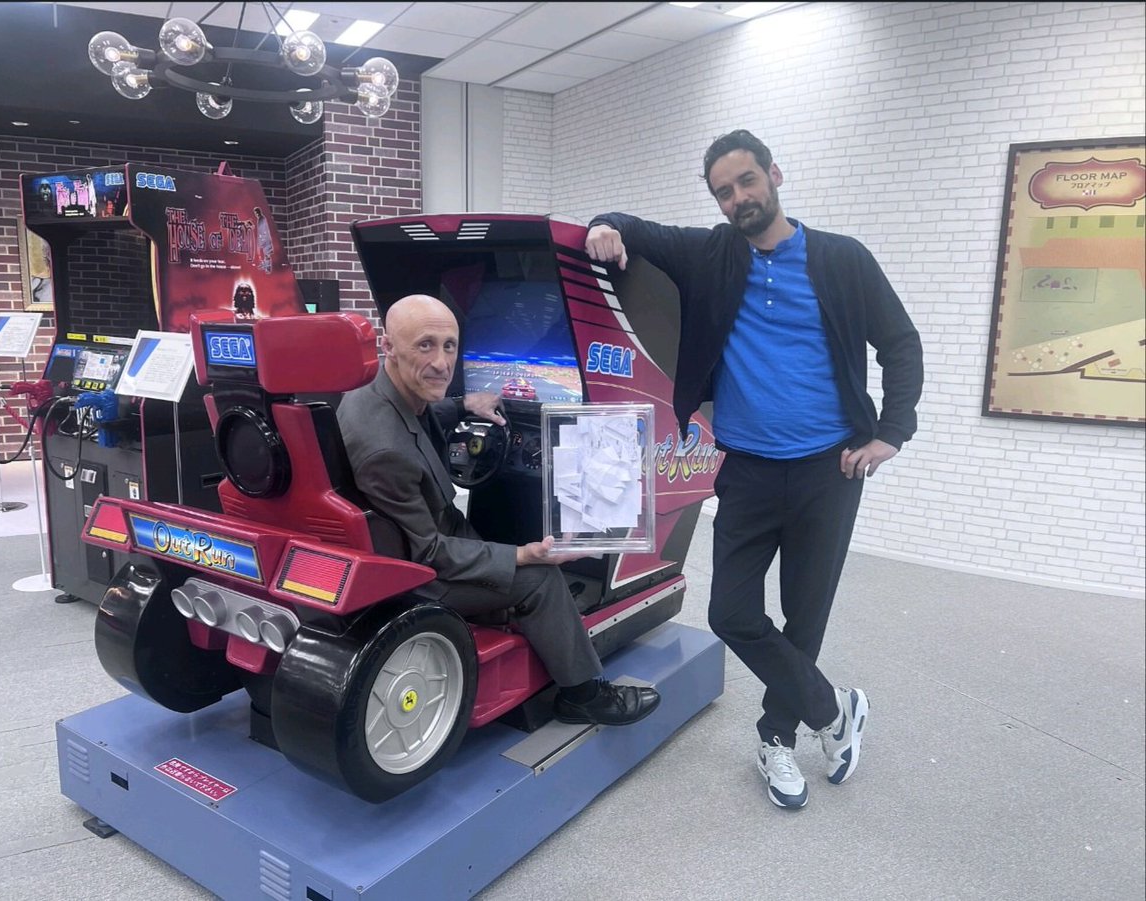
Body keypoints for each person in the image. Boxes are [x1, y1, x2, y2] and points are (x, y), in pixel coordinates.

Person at [585, 129, 923, 809]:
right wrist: (603, 227)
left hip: (831, 471)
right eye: (723, 190)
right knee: (732, 612)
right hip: (748, 470)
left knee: (804, 615)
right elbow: (635, 229)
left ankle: (775, 737)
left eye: (746, 181)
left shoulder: (840, 260)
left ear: (773, 173)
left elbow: (900, 341)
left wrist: (894, 431)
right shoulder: (713, 253)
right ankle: (834, 710)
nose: (738, 197)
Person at [336, 294, 661, 727]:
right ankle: (583, 694)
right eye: (425, 345)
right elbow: (430, 553)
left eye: (449, 346)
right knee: (541, 577)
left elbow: (420, 414)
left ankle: (518, 616)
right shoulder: (384, 450)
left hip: (418, 537)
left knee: (503, 542)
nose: (441, 362)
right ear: (389, 347)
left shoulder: (373, 393)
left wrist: (464, 404)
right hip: (418, 578)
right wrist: (524, 557)